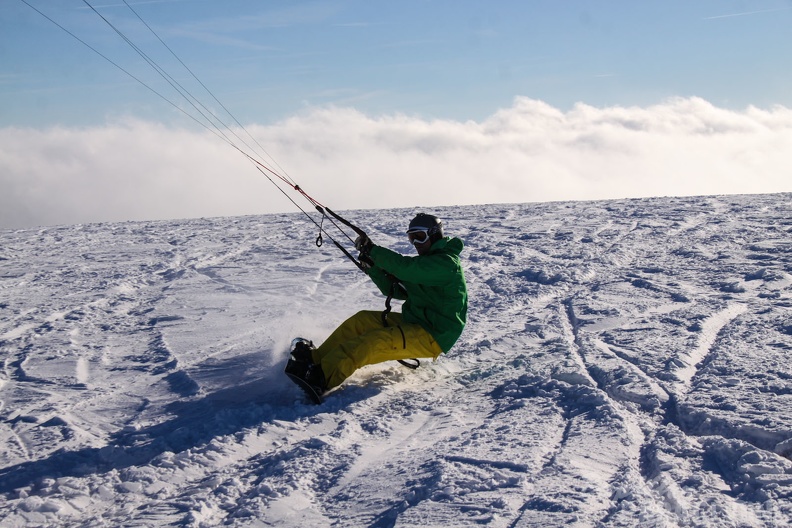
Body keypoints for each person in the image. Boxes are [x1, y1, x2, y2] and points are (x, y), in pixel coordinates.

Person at [288, 213, 468, 398]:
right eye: (411, 238)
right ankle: (316, 360)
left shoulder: (446, 264)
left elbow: (406, 268)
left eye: (420, 237)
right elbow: (396, 290)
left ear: (435, 235)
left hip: (434, 334)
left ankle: (322, 377)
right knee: (362, 320)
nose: (416, 244)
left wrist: (373, 250)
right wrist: (372, 268)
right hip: (414, 322)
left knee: (372, 342)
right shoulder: (425, 265)